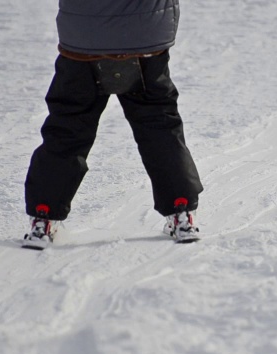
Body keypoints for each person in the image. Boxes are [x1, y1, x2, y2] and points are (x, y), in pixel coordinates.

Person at [22, 0, 203, 249]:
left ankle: (44, 216)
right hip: (144, 37)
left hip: (83, 38)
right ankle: (180, 211)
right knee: (159, 124)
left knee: (68, 126)